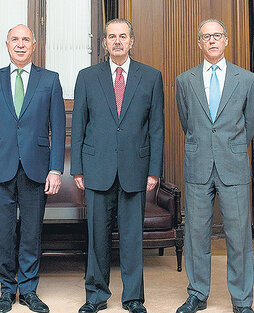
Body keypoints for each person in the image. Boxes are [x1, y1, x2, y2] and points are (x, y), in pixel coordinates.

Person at [71, 18, 164, 313]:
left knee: (132, 239)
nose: (117, 41)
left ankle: (134, 298)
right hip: (97, 169)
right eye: (112, 36)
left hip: (135, 170)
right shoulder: (87, 77)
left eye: (123, 36)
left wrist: (153, 171)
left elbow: (157, 128)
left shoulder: (151, 77)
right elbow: (79, 126)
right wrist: (77, 168)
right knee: (98, 239)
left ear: (131, 41)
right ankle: (96, 296)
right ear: (105, 43)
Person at [0, 24, 66, 313]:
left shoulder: (50, 80)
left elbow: (59, 129)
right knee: (3, 233)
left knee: (31, 233)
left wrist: (55, 169)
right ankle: (6, 289)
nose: (21, 44)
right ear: (6, 44)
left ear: (34, 44)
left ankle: (28, 289)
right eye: (15, 39)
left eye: (26, 39)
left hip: (36, 168)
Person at [175, 19, 254, 313]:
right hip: (198, 165)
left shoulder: (246, 79)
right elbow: (188, 123)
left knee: (239, 236)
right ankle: (197, 293)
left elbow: (249, 124)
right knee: (196, 235)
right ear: (198, 43)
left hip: (233, 165)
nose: (212, 41)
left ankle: (242, 300)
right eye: (206, 37)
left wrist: (231, 147)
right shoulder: (185, 81)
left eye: (217, 36)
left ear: (226, 40)